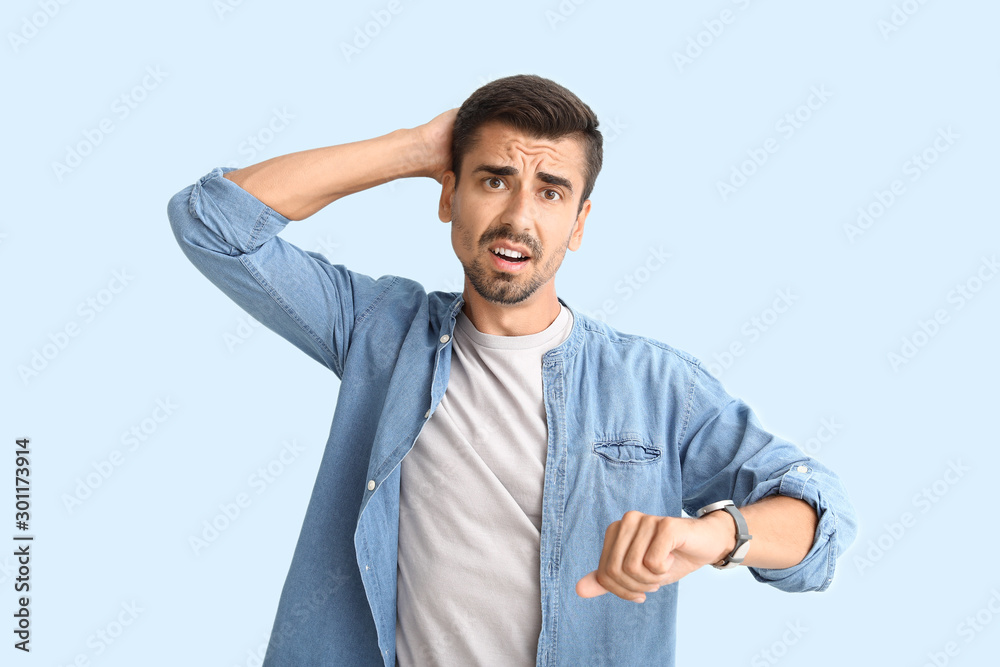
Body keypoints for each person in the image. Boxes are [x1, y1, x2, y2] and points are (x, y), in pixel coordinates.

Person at [167, 74, 856, 666]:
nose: (518, 217)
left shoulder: (655, 385)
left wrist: (714, 535)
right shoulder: (380, 331)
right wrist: (413, 148)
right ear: (449, 196)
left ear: (579, 224)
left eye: (551, 192)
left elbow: (819, 522)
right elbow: (212, 223)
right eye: (494, 180)